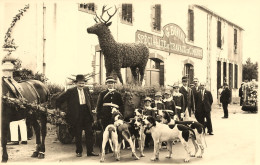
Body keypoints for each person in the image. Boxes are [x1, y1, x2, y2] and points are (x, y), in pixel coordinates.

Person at [56, 74, 99, 157]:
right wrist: (60, 110)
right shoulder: (70, 91)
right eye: (80, 83)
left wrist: (93, 108)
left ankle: (90, 152)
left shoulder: (86, 89)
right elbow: (59, 100)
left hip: (86, 114)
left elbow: (90, 100)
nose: (81, 85)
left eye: (83, 83)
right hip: (76, 114)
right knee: (78, 134)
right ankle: (79, 152)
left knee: (89, 133)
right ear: (76, 83)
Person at [96, 76, 124, 153]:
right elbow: (99, 105)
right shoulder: (102, 93)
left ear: (114, 84)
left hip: (115, 116)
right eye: (108, 83)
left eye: (111, 83)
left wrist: (121, 116)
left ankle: (115, 148)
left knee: (115, 131)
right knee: (105, 131)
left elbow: (121, 105)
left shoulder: (118, 94)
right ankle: (106, 148)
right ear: (106, 84)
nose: (110, 84)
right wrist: (98, 117)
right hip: (105, 115)